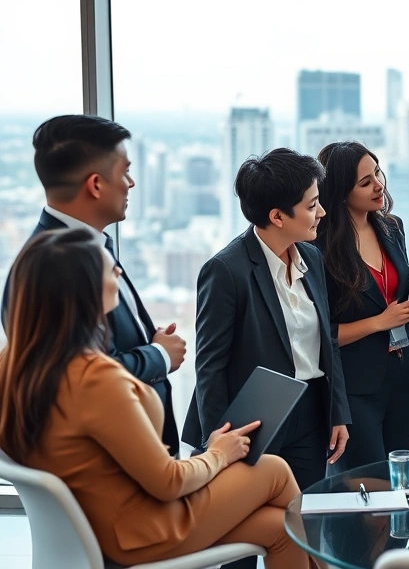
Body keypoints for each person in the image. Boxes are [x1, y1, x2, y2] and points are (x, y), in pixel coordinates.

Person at [0, 229, 317, 568]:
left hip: (98, 525)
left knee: (279, 528)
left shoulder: (15, 364)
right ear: (84, 291)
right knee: (274, 469)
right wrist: (217, 454)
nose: (119, 273)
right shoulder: (93, 379)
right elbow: (169, 482)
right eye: (110, 269)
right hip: (142, 529)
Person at [1, 114, 185, 457]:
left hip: (142, 454)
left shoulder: (90, 245)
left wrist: (145, 339)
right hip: (116, 466)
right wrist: (159, 355)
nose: (130, 183)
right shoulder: (48, 269)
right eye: (124, 173)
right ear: (96, 184)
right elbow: (77, 382)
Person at [181, 148, 351, 492]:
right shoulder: (227, 270)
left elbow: (326, 343)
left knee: (301, 525)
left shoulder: (311, 257)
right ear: (277, 216)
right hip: (251, 421)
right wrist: (219, 440)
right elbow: (210, 365)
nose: (321, 212)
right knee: (244, 534)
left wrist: (337, 413)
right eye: (311, 205)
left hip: (311, 414)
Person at [315, 141, 409, 470]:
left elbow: (399, 307)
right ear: (339, 192)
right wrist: (379, 322)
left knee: (404, 484)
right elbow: (319, 335)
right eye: (365, 182)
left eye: (377, 173)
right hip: (354, 389)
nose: (378, 184)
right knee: (369, 491)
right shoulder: (319, 246)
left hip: (403, 377)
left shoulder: (392, 228)